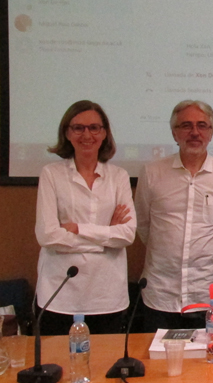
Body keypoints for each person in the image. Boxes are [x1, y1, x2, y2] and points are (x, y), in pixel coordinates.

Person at [135, 100, 213, 331]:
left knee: (208, 364)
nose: (195, 132)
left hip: (207, 295)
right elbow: (144, 225)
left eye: (202, 125)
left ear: (211, 133)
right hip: (160, 295)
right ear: (174, 133)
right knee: (157, 363)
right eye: (186, 125)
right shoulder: (152, 173)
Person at [35, 100, 135, 335]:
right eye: (78, 128)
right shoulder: (51, 174)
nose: (86, 134)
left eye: (94, 128)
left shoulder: (118, 176)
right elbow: (47, 235)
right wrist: (106, 236)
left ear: (104, 134)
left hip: (106, 295)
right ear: (67, 133)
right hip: (60, 294)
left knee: (104, 366)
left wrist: (77, 229)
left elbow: (128, 234)